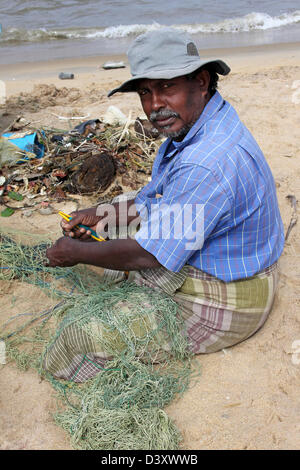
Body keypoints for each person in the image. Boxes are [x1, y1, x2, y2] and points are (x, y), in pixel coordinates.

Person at [46, 28, 284, 366]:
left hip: (231, 299)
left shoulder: (206, 163)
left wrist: (79, 253)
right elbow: (155, 199)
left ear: (201, 81)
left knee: (75, 340)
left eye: (166, 86)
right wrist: (99, 214)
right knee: (114, 216)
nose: (155, 105)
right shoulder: (203, 122)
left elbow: (149, 254)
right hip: (228, 255)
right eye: (146, 91)